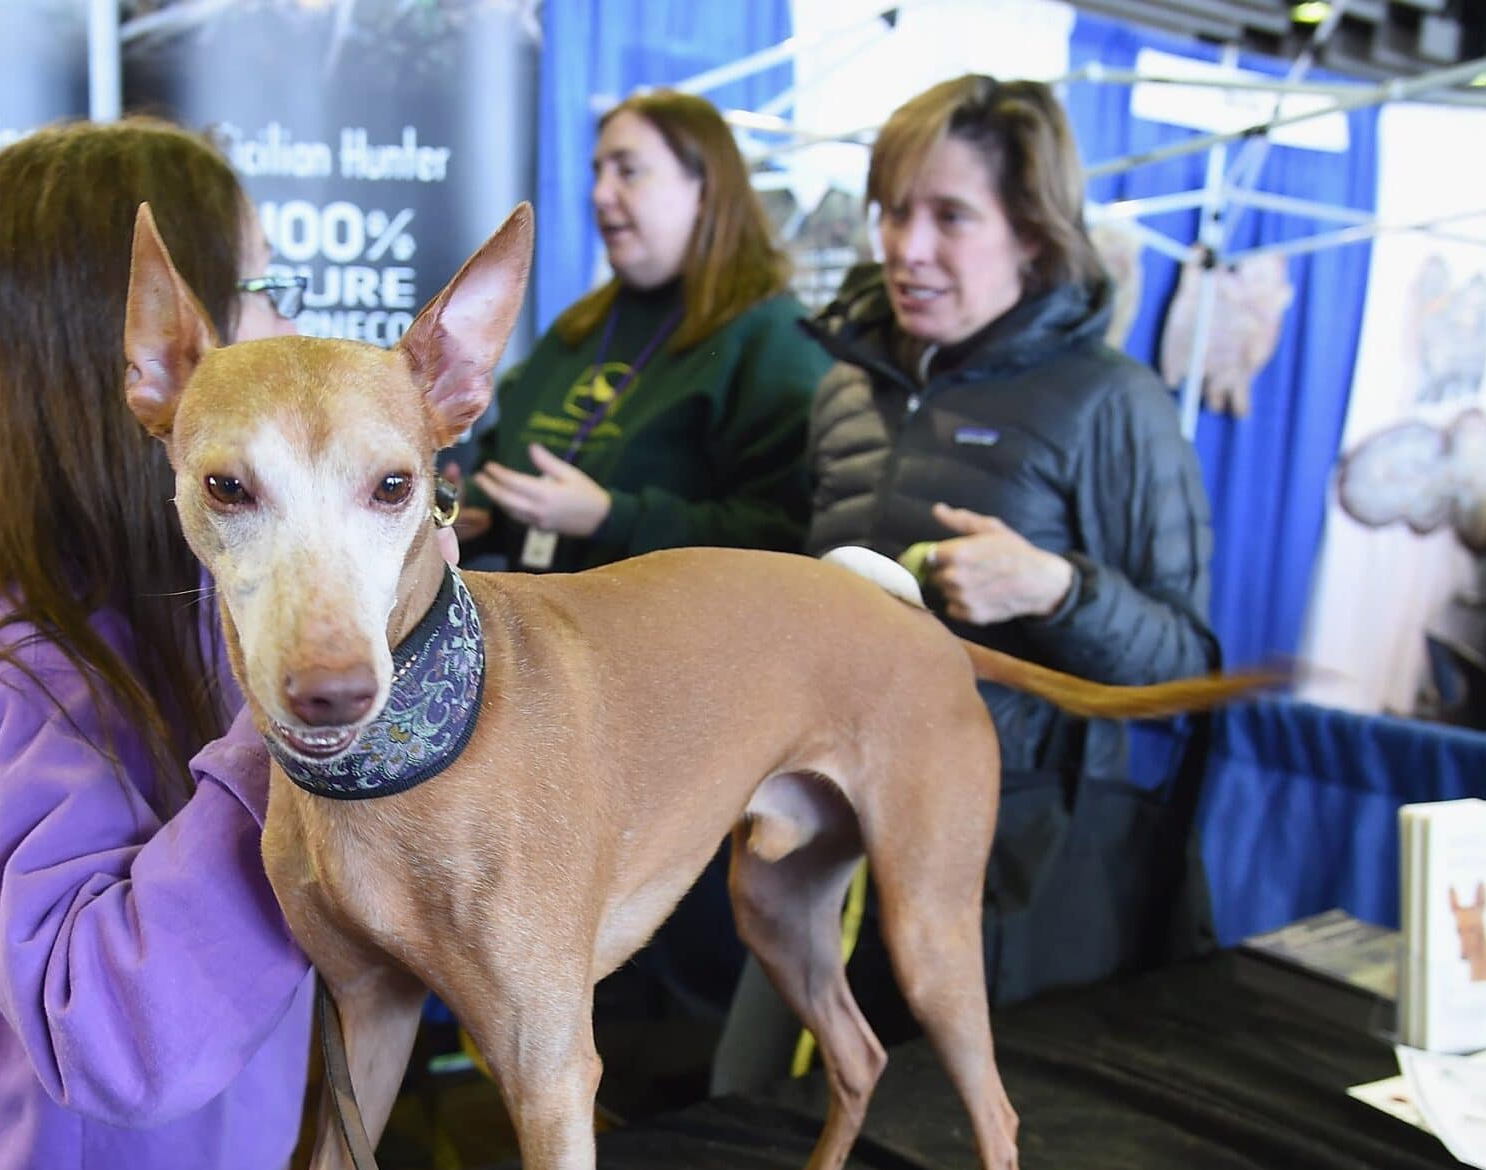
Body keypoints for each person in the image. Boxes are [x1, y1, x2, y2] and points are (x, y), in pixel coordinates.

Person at [0, 120, 313, 1170]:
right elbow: (117, 1035)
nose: (286, 329)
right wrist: (305, 720)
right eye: (260, 288)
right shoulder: (28, 669)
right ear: (142, 352)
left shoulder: (191, 605)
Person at [713, 74, 1218, 1090]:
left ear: (1031, 233)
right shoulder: (845, 387)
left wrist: (1056, 590)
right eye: (894, 210)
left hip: (1008, 865)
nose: (906, 246)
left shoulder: (1112, 405)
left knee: (941, 1143)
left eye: (950, 215)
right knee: (749, 1104)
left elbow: (1189, 666)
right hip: (824, 831)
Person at [451, 89, 834, 576]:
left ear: (704, 189)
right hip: (543, 622)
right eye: (597, 172)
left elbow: (788, 534)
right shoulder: (579, 327)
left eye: (628, 171)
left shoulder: (772, 340)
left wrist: (612, 519)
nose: (600, 194)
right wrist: (477, 510)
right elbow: (506, 460)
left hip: (671, 636)